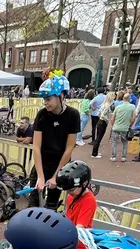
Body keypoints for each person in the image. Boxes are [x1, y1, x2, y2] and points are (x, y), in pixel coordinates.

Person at [29, 71, 81, 209]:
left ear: (61, 96)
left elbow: (69, 148)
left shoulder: (73, 115)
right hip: (42, 163)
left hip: (60, 165)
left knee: (51, 205)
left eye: (48, 99)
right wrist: (40, 176)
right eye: (44, 100)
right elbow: (36, 147)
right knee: (33, 203)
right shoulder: (42, 114)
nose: (45, 103)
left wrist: (56, 176)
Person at [109, 92, 136, 162]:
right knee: (125, 142)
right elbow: (133, 118)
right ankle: (123, 157)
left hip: (116, 127)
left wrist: (113, 126)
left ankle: (113, 156)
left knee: (114, 142)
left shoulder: (118, 107)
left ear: (123, 99)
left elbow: (112, 119)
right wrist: (130, 125)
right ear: (129, 99)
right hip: (125, 128)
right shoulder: (132, 107)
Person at [91, 92, 115, 159]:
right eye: (113, 96)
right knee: (99, 138)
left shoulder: (104, 104)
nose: (114, 97)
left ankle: (95, 152)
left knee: (98, 137)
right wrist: (106, 119)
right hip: (103, 122)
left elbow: (99, 113)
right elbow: (103, 114)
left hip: (100, 121)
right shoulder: (108, 105)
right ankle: (94, 153)